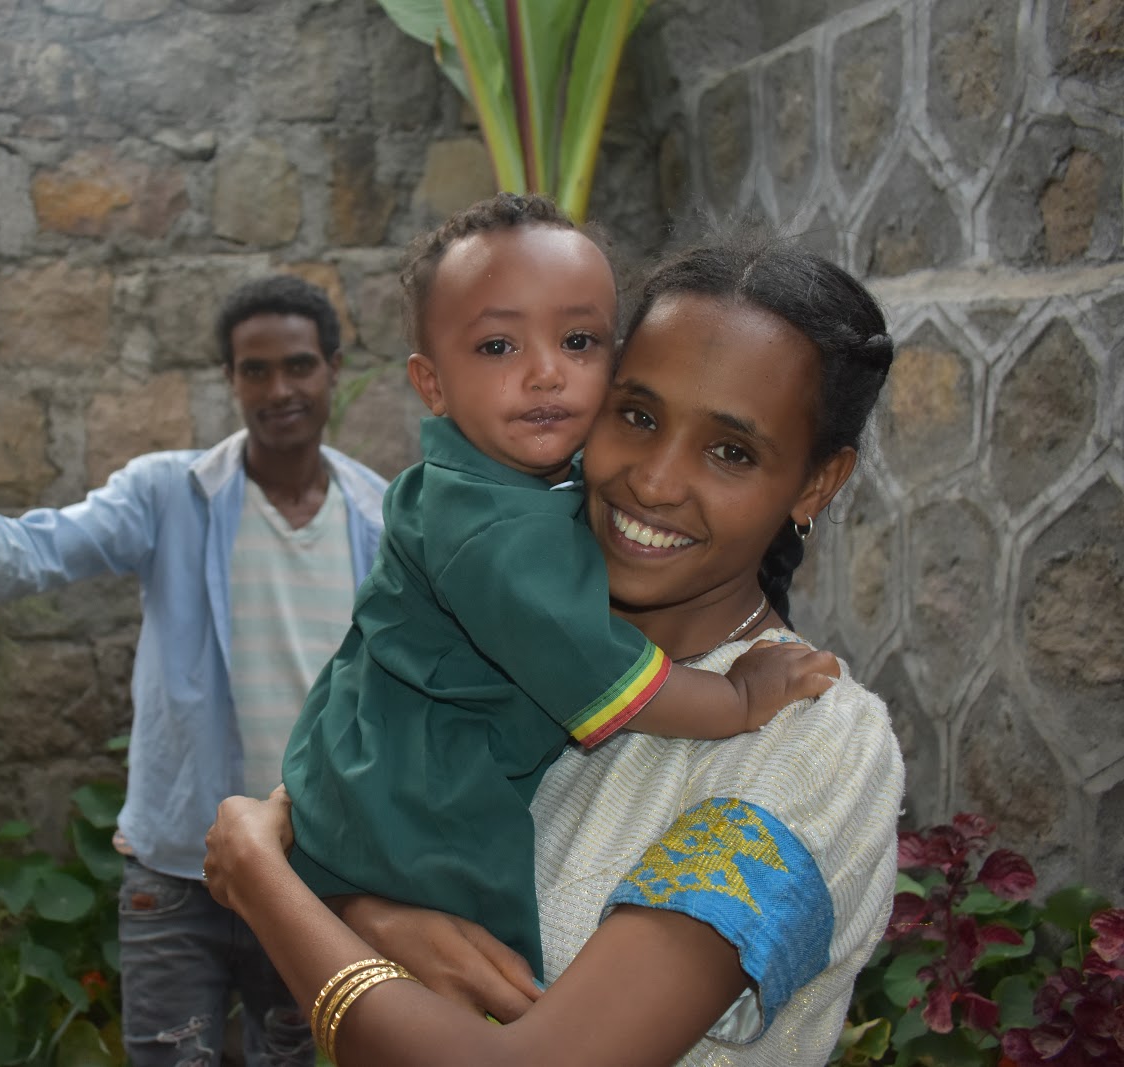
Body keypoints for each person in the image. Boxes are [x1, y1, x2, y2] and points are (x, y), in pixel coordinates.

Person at [203, 234, 904, 1066]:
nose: (654, 480)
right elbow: (341, 811)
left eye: (731, 451)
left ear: (817, 482)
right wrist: (368, 912)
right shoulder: (492, 630)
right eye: (637, 415)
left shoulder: (812, 747)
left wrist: (261, 878)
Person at [0, 275, 389, 1067]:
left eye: (298, 365)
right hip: (180, 871)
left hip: (312, 873)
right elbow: (33, 551)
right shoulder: (170, 495)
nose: (279, 390)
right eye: (255, 370)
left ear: (333, 366)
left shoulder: (380, 515)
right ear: (229, 379)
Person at [283, 194, 840, 978]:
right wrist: (739, 698)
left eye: (579, 341)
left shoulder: (512, 478)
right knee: (493, 973)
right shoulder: (491, 532)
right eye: (498, 345)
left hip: (365, 775)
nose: (547, 372)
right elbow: (603, 677)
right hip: (419, 811)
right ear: (432, 384)